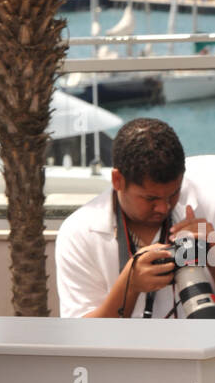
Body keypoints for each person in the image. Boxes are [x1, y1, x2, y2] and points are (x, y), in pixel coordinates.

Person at [55, 118, 215, 317]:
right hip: (122, 349)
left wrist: (212, 254)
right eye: (150, 198)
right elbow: (80, 337)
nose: (163, 207)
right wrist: (129, 286)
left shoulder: (207, 203)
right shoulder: (80, 233)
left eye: (174, 193)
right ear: (117, 180)